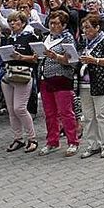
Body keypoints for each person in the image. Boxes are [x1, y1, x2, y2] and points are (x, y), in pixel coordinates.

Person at [0, 10, 39, 153]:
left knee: (20, 108)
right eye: (10, 21)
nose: (12, 24)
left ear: (23, 23)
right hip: (9, 75)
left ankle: (32, 138)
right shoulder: (9, 39)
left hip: (23, 74)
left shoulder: (30, 37)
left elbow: (37, 58)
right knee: (12, 110)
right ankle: (18, 138)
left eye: (15, 21)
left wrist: (21, 57)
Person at [76, 14, 104, 159]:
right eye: (83, 28)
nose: (85, 30)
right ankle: (93, 145)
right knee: (88, 116)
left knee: (102, 115)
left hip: (101, 82)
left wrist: (95, 60)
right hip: (85, 84)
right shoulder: (84, 42)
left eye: (88, 27)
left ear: (97, 27)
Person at [38, 10, 79, 157]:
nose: (53, 26)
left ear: (64, 25)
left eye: (57, 24)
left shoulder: (67, 38)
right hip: (45, 78)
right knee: (50, 113)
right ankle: (52, 141)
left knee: (66, 112)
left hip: (62, 78)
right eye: (51, 23)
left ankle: (73, 141)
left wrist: (56, 56)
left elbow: (72, 61)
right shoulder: (46, 38)